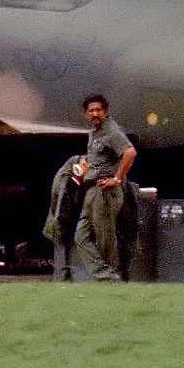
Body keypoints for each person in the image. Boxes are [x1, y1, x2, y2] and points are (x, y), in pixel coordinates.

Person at [72, 93, 137, 281]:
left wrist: (116, 179)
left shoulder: (111, 131)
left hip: (105, 191)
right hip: (91, 189)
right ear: (86, 114)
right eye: (91, 111)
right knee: (80, 236)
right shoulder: (95, 132)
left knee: (105, 238)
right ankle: (105, 275)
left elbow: (130, 152)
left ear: (106, 112)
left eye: (98, 110)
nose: (95, 114)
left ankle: (112, 277)